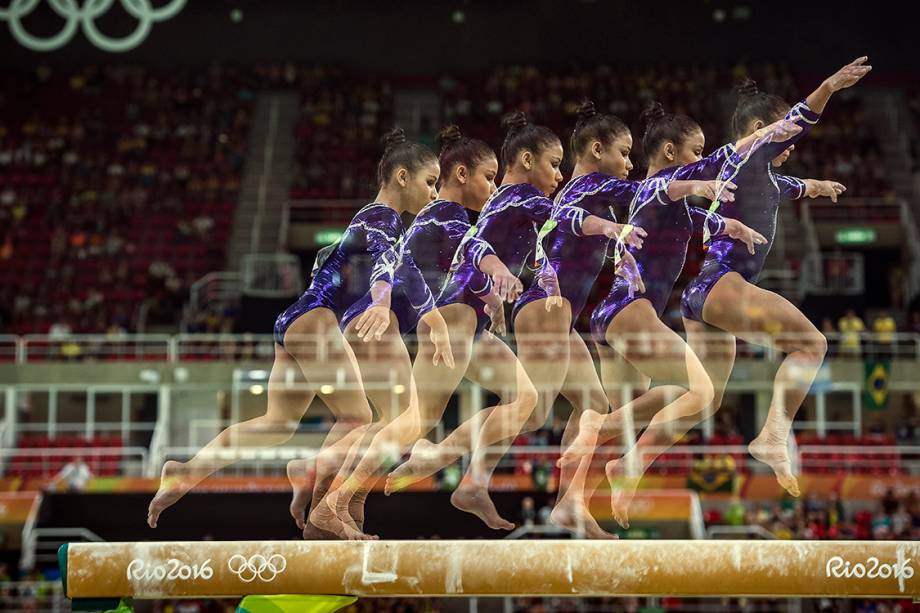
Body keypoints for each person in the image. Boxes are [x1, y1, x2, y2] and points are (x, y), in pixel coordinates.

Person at [147, 129, 447, 540]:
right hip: (317, 319)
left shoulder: (378, 222)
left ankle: (186, 471)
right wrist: (379, 302)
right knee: (358, 416)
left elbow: (402, 269)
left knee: (278, 423)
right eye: (430, 182)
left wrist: (433, 319)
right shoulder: (382, 218)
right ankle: (321, 495)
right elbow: (383, 260)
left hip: (295, 320)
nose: (434, 193)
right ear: (400, 177)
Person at [561, 100, 795, 528]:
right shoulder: (660, 184)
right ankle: (608, 441)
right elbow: (680, 184)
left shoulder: (666, 201)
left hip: (614, 316)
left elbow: (688, 218)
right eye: (694, 152)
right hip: (629, 311)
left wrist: (731, 226)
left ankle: (574, 499)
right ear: (670, 153)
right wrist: (776, 129)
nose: (699, 162)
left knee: (638, 419)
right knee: (700, 393)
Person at [677, 57, 871, 497]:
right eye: (780, 129)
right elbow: (799, 122)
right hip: (721, 284)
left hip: (703, 294)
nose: (792, 142)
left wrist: (817, 185)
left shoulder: (752, 172)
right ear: (763, 127)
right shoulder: (748, 153)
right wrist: (828, 86)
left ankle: (611, 432)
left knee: (703, 400)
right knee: (811, 344)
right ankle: (773, 436)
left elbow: (785, 186)